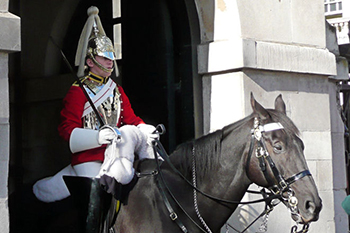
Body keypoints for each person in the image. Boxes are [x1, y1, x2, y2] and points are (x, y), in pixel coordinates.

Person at [33, 6, 159, 203]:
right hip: (88, 158)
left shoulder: (116, 90)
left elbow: (131, 119)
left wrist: (144, 128)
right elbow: (67, 129)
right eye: (104, 58)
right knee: (97, 195)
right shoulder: (78, 90)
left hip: (116, 155)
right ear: (90, 62)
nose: (110, 62)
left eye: (111, 57)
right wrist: (97, 136)